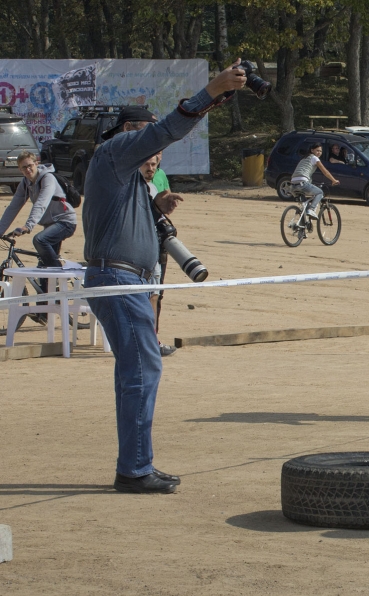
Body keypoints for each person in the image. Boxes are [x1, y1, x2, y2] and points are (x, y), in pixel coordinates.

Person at [83, 61, 248, 494]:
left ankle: (133, 465)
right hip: (118, 281)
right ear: (129, 135)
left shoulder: (131, 178)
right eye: (147, 141)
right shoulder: (114, 154)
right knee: (142, 369)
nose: (155, 154)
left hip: (125, 281)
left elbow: (122, 220)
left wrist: (156, 208)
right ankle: (135, 470)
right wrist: (209, 91)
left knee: (136, 371)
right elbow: (166, 130)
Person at [0, 151, 77, 282]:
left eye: (30, 165)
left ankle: (61, 276)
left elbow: (41, 203)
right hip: (50, 225)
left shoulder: (48, 179)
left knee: (40, 240)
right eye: (24, 167)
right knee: (43, 272)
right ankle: (49, 297)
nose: (28, 169)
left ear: (37, 163)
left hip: (65, 222)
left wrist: (28, 226)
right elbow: (13, 207)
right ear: (20, 169)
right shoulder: (25, 183)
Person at [140, 152, 175, 357]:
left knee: (154, 295)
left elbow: (164, 201)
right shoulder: (131, 187)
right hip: (135, 250)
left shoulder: (156, 182)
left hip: (154, 246)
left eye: (153, 164)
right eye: (146, 163)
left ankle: (153, 339)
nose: (150, 168)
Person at [291, 141, 339, 217]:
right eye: (317, 150)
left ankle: (302, 225)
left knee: (304, 207)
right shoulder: (314, 158)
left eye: (320, 151)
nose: (319, 152)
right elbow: (325, 172)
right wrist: (334, 180)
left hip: (293, 184)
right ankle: (312, 209)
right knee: (320, 193)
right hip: (302, 183)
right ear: (312, 150)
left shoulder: (304, 158)